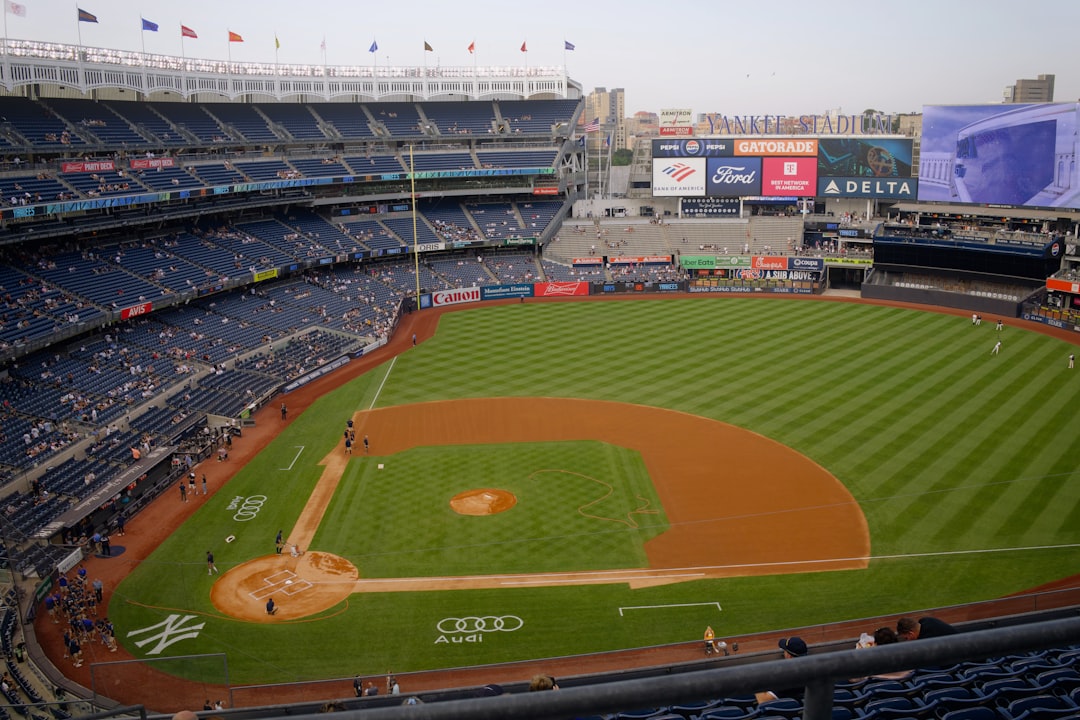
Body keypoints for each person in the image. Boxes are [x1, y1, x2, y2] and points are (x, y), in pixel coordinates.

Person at [756, 637, 808, 704]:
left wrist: (757, 680)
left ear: (789, 656)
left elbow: (763, 701)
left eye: (784, 651)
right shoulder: (816, 670)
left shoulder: (787, 677)